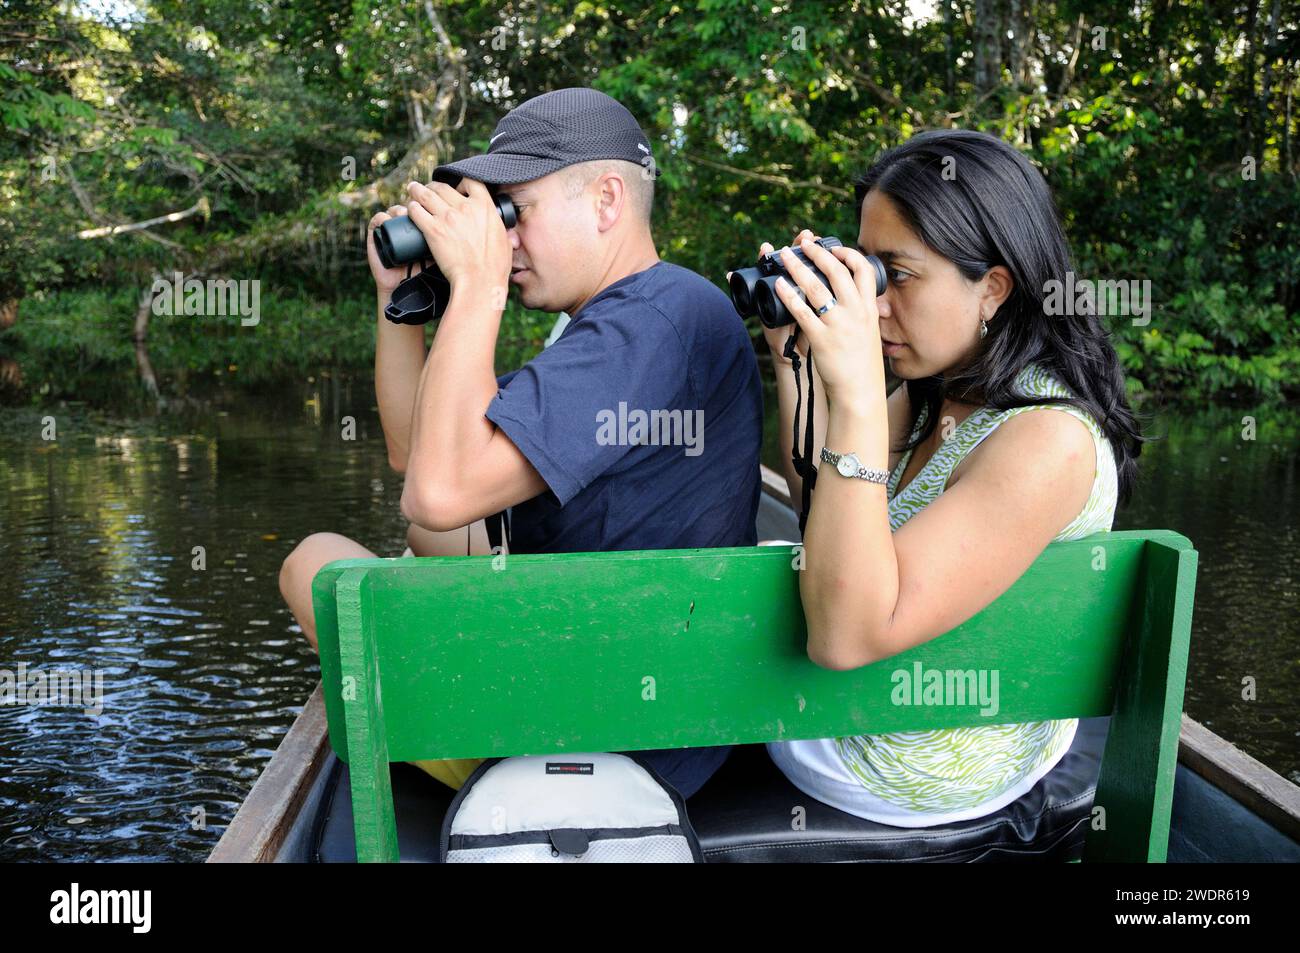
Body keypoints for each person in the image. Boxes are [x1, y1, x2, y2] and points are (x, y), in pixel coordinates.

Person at [278, 87, 763, 798]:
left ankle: (454, 751)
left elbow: (439, 490)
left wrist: (479, 285)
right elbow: (419, 455)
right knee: (421, 535)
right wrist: (402, 306)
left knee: (316, 561)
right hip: (616, 686)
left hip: (592, 744)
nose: (501, 239)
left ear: (605, 201)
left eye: (514, 213)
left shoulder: (655, 319)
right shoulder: (625, 318)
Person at [758, 128, 1144, 826]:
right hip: (872, 711)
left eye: (896, 274)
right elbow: (823, 498)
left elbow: (843, 638)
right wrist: (798, 365)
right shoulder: (944, 384)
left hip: (913, 769)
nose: (874, 303)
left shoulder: (1047, 440)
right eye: (866, 270)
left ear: (993, 286)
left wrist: (854, 394)